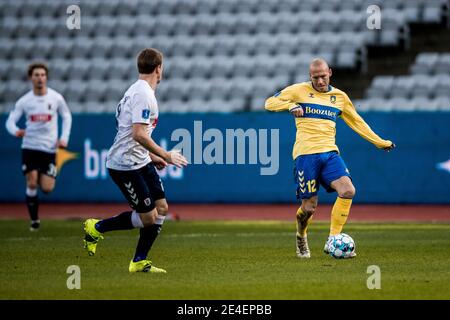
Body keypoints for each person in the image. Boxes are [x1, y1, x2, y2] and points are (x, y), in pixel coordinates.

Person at [265, 58, 395, 259]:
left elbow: (358, 123)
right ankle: (301, 235)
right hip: (305, 155)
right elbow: (269, 102)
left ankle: (332, 239)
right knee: (309, 207)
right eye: (315, 78)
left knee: (348, 190)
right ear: (310, 77)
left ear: (330, 73)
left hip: (330, 153)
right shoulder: (299, 91)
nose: (319, 81)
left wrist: (379, 142)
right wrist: (290, 105)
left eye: (323, 77)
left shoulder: (339, 97)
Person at [83, 48, 188, 273]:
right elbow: (138, 134)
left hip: (140, 160)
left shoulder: (139, 91)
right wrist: (166, 155)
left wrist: (151, 156)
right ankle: (96, 227)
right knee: (148, 218)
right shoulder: (142, 94)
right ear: (159, 68)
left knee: (161, 208)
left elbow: (136, 134)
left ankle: (139, 260)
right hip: (124, 165)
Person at [5, 62, 72, 231]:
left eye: (42, 75)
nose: (40, 78)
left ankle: (35, 212)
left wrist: (63, 138)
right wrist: (16, 131)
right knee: (32, 182)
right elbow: (10, 121)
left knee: (47, 188)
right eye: (36, 75)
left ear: (46, 77)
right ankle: (34, 220)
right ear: (31, 78)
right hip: (30, 147)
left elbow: (66, 116)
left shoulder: (56, 98)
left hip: (49, 149)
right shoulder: (25, 101)